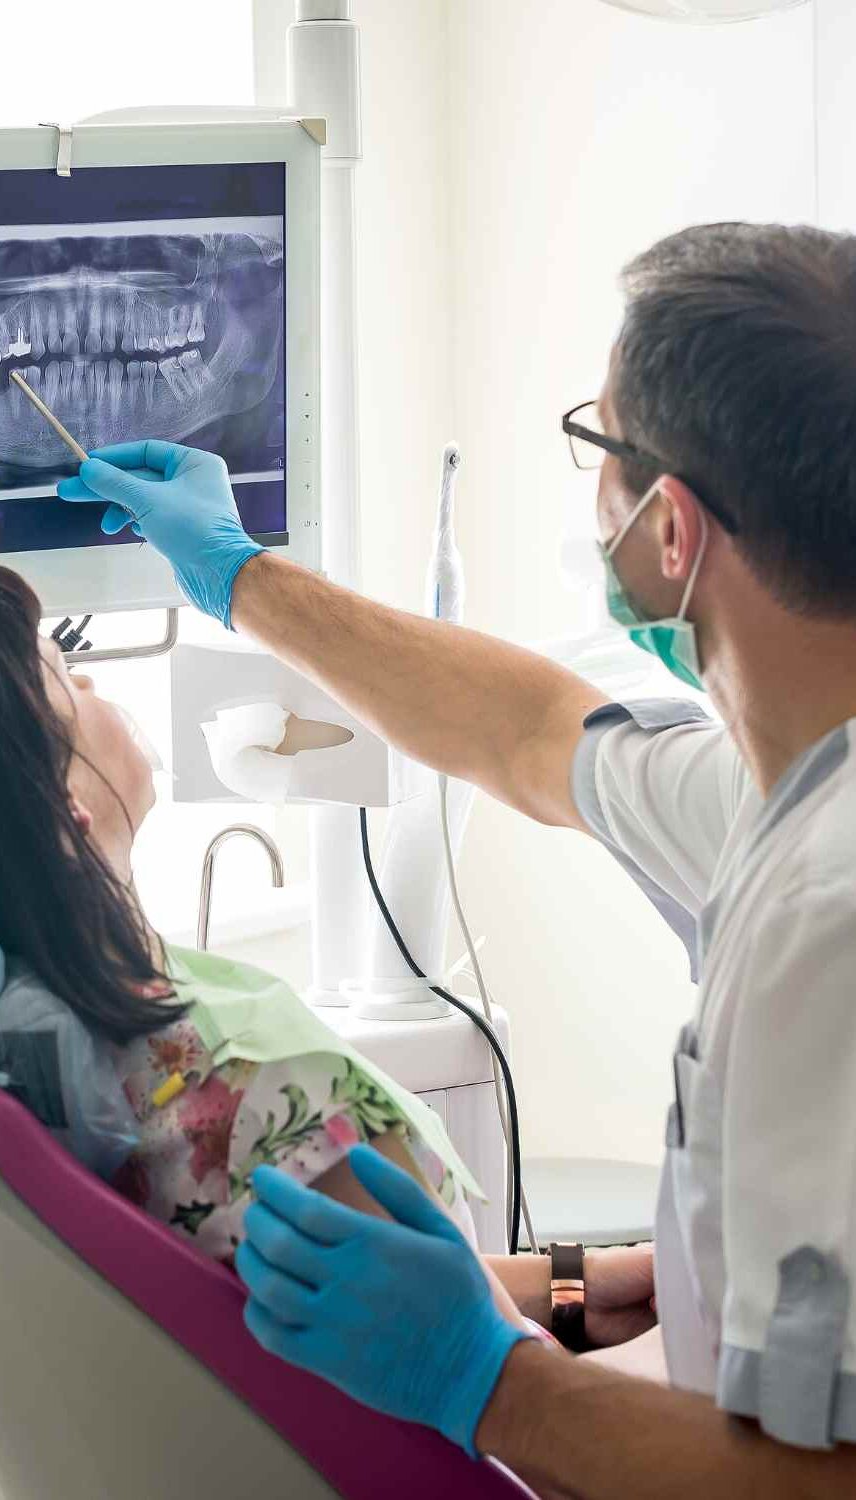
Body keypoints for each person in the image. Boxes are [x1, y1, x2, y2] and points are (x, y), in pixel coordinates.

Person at [59, 221, 856, 1495]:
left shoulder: (832, 913)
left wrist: (495, 1381)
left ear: (672, 534)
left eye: (599, 444)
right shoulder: (773, 790)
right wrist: (240, 577)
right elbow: (528, 730)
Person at [0, 558, 479, 1260]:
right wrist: (581, 1301)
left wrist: (576, 1277)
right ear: (57, 811)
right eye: (62, 674)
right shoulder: (262, 1102)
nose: (93, 682)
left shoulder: (46, 1070)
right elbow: (480, 1348)